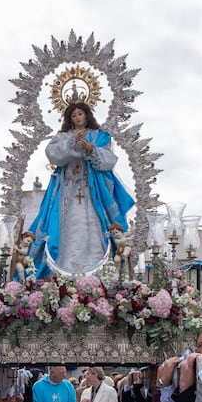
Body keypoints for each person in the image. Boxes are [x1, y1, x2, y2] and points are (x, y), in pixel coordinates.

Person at [27, 102, 135, 278]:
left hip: (92, 191)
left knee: (94, 225)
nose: (77, 118)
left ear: (87, 115)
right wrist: (70, 143)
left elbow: (109, 160)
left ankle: (97, 271)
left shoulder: (100, 136)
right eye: (73, 115)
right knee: (66, 225)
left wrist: (92, 149)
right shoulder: (63, 137)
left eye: (80, 114)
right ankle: (64, 269)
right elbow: (52, 154)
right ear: (69, 119)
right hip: (67, 190)